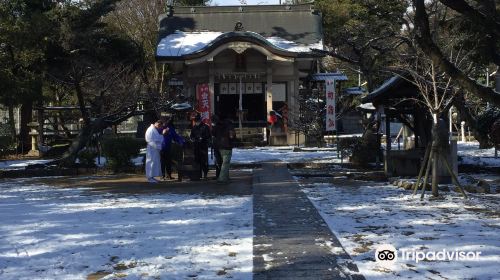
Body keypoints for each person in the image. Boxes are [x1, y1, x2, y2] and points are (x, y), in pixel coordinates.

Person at [212, 114, 236, 184]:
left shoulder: (218, 125)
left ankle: (226, 177)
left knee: (223, 163)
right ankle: (222, 179)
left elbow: (213, 133)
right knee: (225, 163)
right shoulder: (230, 126)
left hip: (219, 146)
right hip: (227, 146)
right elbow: (231, 136)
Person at [190, 114, 211, 179]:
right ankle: (198, 174)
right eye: (196, 121)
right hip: (196, 146)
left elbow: (208, 136)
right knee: (197, 160)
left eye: (197, 120)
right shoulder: (194, 127)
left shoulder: (205, 127)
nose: (196, 122)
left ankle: (205, 174)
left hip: (203, 145)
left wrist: (203, 138)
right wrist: (193, 139)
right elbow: (191, 135)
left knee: (204, 160)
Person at [211, 115, 223, 179]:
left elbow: (213, 134)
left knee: (218, 161)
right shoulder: (222, 126)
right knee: (221, 161)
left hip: (217, 145)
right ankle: (221, 175)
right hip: (222, 145)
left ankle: (218, 175)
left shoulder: (215, 127)